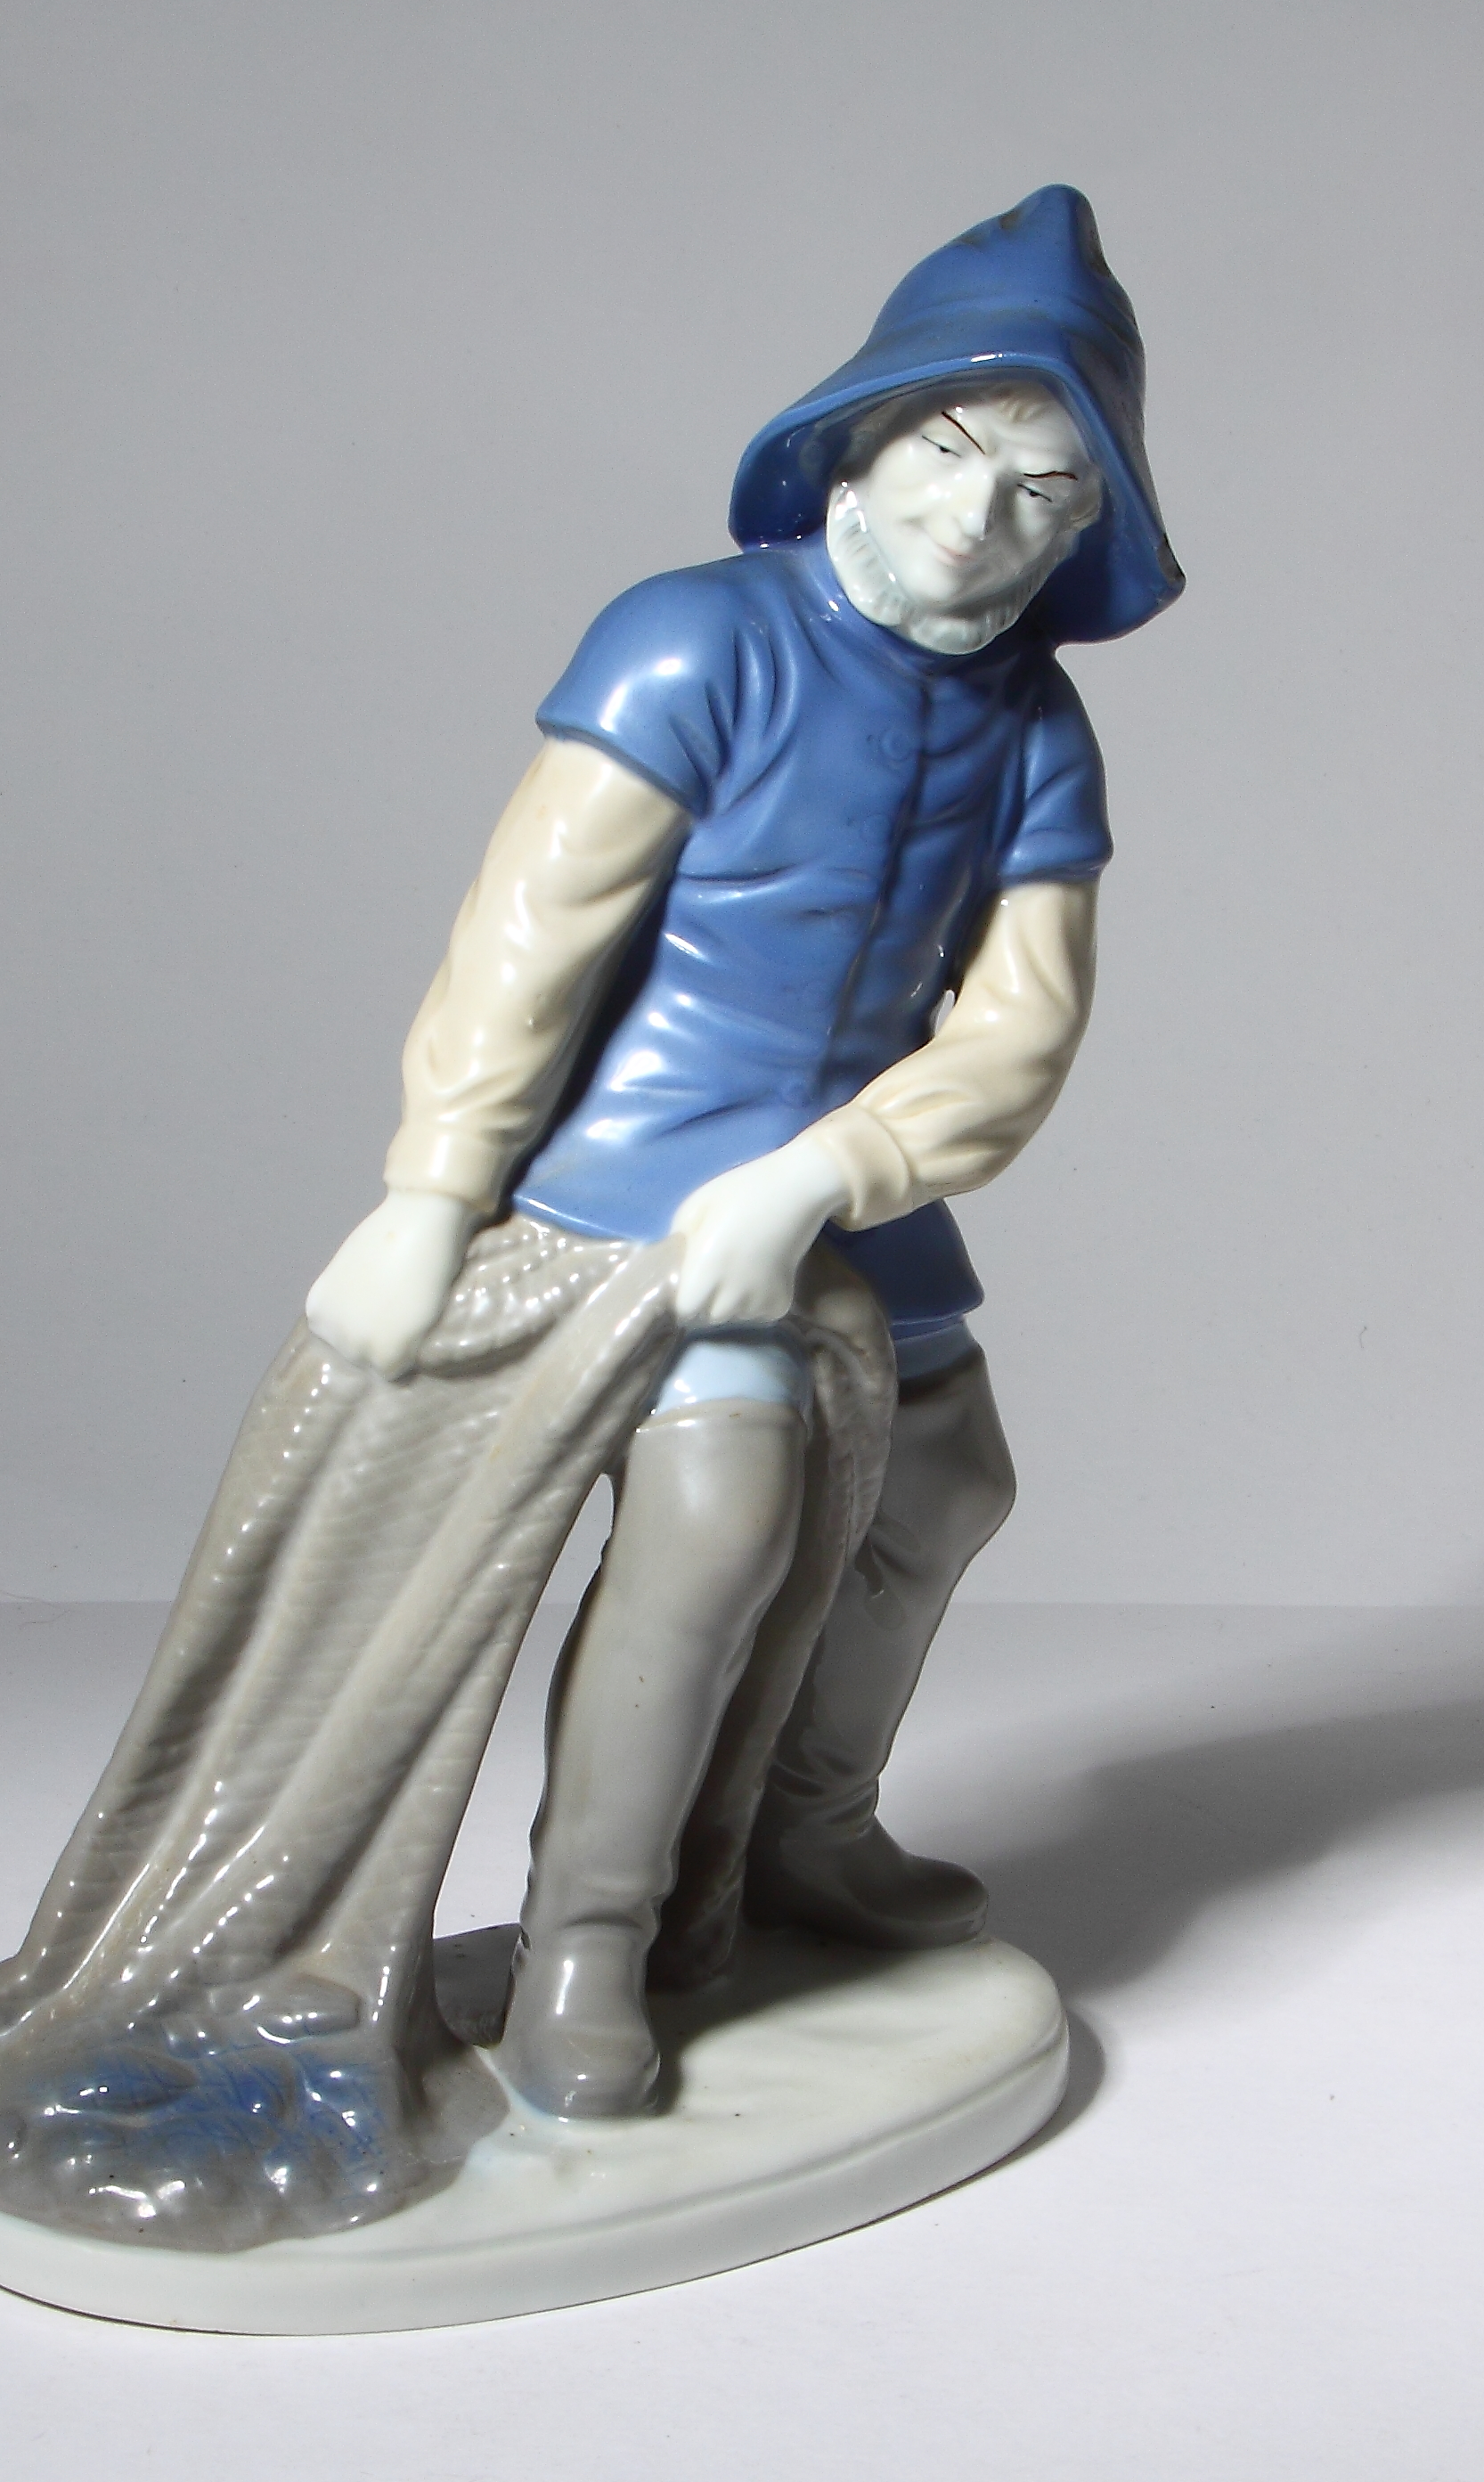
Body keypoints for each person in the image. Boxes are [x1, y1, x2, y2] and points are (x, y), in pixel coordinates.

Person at [306, 184, 1182, 2116]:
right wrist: (432, 1190)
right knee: (717, 1515)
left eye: (1043, 486)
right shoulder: (689, 637)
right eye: (945, 449)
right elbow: (528, 937)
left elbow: (1020, 1024)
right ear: (854, 442)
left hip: (850, 1175)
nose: (978, 513)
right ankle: (588, 1943)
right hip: (642, 1167)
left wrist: (830, 1176)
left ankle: (804, 1827)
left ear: (1083, 529)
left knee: (945, 1479)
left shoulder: (1036, 729)